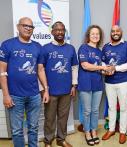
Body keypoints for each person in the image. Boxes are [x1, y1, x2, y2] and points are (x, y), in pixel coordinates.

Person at [0, 17, 49, 147]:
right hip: (15, 96)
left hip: (34, 95)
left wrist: (46, 90)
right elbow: (2, 71)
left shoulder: (38, 47)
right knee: (17, 131)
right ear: (18, 27)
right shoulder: (7, 45)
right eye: (25, 25)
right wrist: (5, 95)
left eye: (31, 27)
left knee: (33, 127)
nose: (28, 28)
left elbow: (40, 70)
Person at [40, 21, 78, 147]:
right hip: (51, 91)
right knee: (50, 118)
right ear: (52, 32)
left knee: (63, 117)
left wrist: (74, 85)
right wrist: (44, 89)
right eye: (57, 30)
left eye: (62, 30)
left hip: (66, 91)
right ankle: (48, 141)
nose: (60, 32)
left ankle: (61, 139)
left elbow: (74, 68)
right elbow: (40, 70)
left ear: (64, 32)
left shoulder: (70, 48)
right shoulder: (45, 49)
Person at [102, 25, 127, 144]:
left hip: (124, 82)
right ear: (111, 33)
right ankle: (111, 130)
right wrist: (105, 69)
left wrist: (115, 68)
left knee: (124, 107)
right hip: (109, 82)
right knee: (111, 107)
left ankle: (122, 132)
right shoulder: (106, 47)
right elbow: (102, 62)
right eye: (113, 31)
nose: (115, 33)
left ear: (121, 33)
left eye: (117, 31)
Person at [78, 25, 107, 146]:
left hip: (98, 84)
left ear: (100, 36)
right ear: (88, 36)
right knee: (87, 111)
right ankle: (87, 132)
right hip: (85, 84)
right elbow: (85, 65)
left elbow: (102, 68)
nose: (95, 36)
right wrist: (102, 67)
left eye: (97, 34)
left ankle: (94, 131)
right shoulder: (83, 48)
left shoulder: (100, 51)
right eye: (93, 33)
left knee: (95, 110)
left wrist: (107, 70)